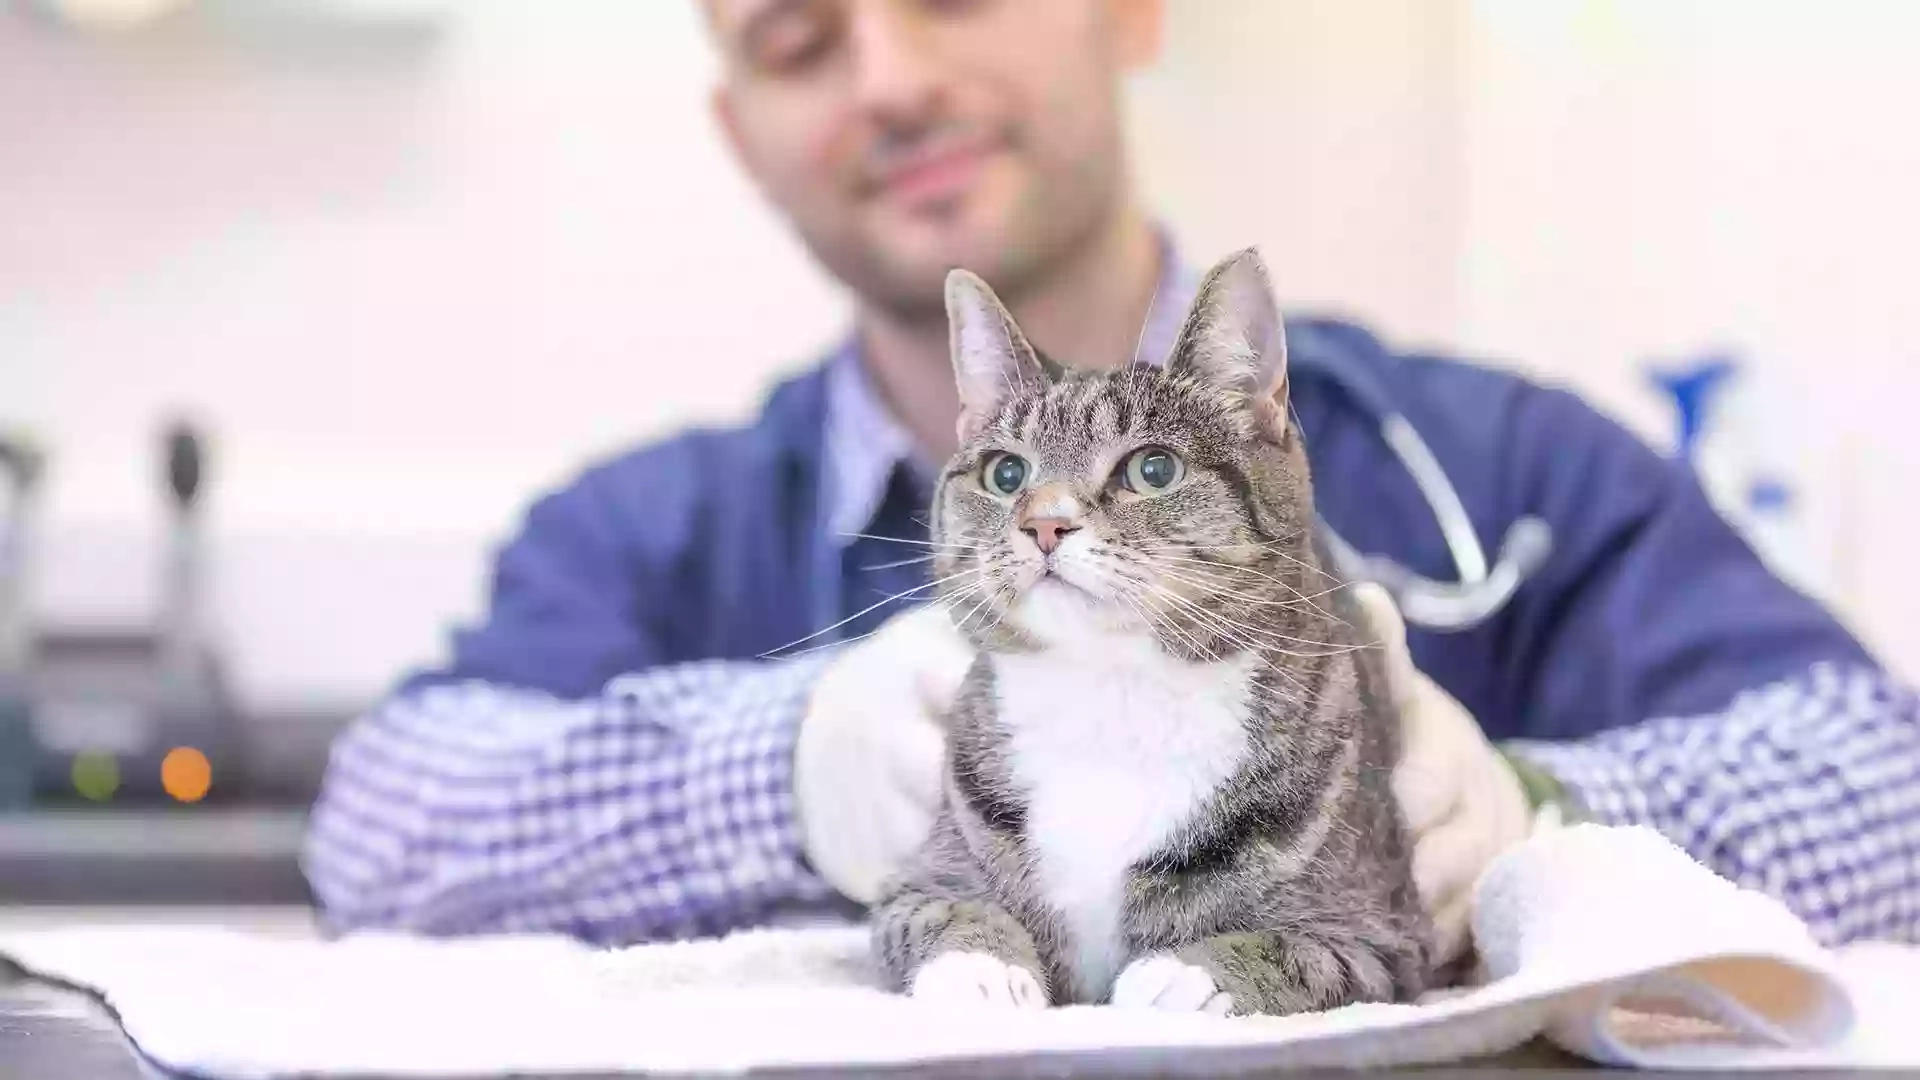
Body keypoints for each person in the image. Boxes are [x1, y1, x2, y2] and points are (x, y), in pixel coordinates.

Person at [301, 0, 1920, 960]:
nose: (885, 79)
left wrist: (1546, 828)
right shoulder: (658, 532)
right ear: (740, 133)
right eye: (800, 37)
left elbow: (1889, 786)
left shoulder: (1488, 475)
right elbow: (381, 823)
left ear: (1130, 7)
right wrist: (782, 775)